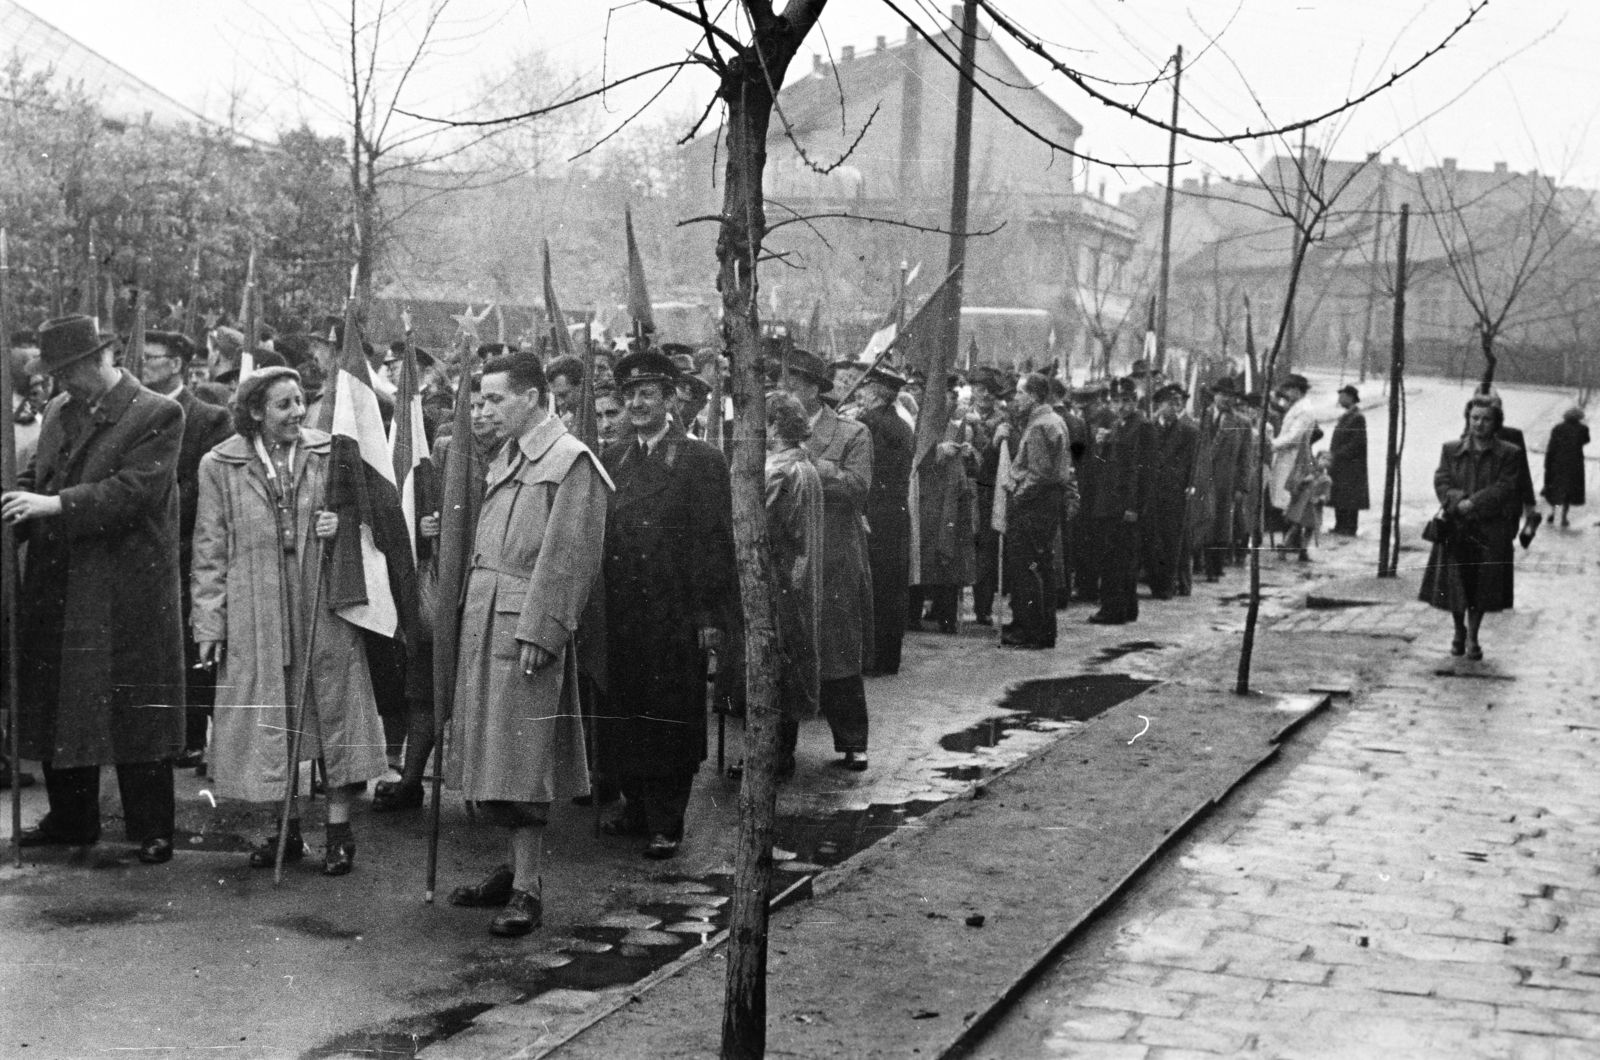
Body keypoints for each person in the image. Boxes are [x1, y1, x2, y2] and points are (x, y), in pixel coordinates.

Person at [191, 366, 388, 874]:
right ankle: (286, 830)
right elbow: (209, 550)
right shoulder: (220, 464)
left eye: (301, 401)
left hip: (321, 604)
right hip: (256, 612)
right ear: (255, 411)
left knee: (333, 713)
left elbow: (369, 521)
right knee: (273, 721)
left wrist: (338, 524)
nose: (298, 413)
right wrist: (210, 625)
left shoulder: (330, 451)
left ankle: (340, 832)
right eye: (285, 405)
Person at [4, 315, 185, 863]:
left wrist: (55, 506)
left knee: (137, 705)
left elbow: (135, 493)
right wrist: (17, 501)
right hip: (62, 581)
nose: (58, 385)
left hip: (128, 587)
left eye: (65, 372)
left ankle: (152, 828)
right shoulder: (61, 411)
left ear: (96, 361)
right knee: (63, 699)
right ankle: (71, 818)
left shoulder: (158, 413)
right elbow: (40, 474)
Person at [447, 351, 610, 936]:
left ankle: (528, 886)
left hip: (523, 628)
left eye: (495, 399)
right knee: (494, 755)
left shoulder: (570, 462)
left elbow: (571, 557)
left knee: (522, 760)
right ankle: (510, 868)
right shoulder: (508, 457)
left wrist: (544, 629)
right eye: (482, 399)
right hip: (485, 621)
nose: (484, 410)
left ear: (535, 397)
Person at [598, 351, 737, 859]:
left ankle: (667, 818)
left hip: (674, 611)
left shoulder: (700, 460)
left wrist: (710, 617)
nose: (635, 403)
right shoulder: (615, 457)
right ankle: (636, 807)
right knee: (628, 706)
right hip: (624, 609)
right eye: (629, 395)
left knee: (671, 713)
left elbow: (715, 543)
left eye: (647, 394)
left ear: (672, 399)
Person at [137, 331, 234, 774]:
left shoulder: (210, 417)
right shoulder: (135, 412)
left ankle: (191, 737)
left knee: (190, 644)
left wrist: (156, 507)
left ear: (176, 363)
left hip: (186, 545)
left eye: (151, 358)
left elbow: (204, 484)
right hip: (141, 548)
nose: (141, 365)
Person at [779, 347, 874, 771]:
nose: (788, 392)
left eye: (796, 385)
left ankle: (852, 741)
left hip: (834, 555)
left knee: (837, 649)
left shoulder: (852, 433)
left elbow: (857, 486)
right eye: (785, 384)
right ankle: (776, 749)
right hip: (790, 552)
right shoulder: (771, 427)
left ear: (817, 389)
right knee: (785, 649)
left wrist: (807, 463)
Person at [1419, 395, 1522, 661]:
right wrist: (1457, 500)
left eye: (1486, 419)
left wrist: (1473, 503)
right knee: (1456, 584)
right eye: (1474, 418)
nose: (1479, 424)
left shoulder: (1509, 454)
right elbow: (1441, 480)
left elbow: (1506, 487)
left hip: (1489, 529)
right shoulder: (1451, 449)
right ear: (1468, 419)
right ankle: (1458, 631)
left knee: (1481, 585)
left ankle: (1474, 635)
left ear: (1496, 422)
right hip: (1457, 528)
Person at [765, 392, 824, 777]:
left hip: (781, 577)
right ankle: (780, 750)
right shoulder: (804, 464)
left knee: (777, 664)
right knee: (791, 659)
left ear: (772, 425)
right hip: (798, 576)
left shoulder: (779, 471)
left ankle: (774, 754)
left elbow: (762, 525)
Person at [999, 373, 1073, 649]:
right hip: (1045, 505)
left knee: (1028, 567)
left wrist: (1018, 496)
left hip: (1034, 505)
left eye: (1019, 393)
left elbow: (1039, 474)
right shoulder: (1053, 420)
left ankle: (1031, 630)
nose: (1015, 399)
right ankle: (1040, 629)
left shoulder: (1040, 425)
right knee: (1040, 566)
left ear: (1033, 396)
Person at [856, 366, 914, 675]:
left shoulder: (870, 425)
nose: (862, 397)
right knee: (893, 585)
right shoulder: (901, 424)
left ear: (877, 395)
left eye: (866, 392)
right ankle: (889, 656)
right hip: (896, 510)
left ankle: (873, 656)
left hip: (873, 511)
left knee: (874, 583)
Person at [910, 375, 976, 633]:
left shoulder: (961, 422)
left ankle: (946, 616)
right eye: (943, 394)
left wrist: (968, 452)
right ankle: (913, 615)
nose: (948, 399)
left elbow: (976, 462)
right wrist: (936, 452)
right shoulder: (918, 421)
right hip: (926, 500)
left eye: (951, 394)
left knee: (950, 561)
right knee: (921, 558)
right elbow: (912, 456)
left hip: (952, 500)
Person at [1192, 378, 1252, 581]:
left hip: (1226, 483)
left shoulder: (1242, 423)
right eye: (1223, 395)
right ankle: (1197, 563)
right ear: (1214, 395)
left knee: (1221, 525)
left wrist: (1242, 487)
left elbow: (1246, 458)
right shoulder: (1200, 418)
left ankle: (1214, 568)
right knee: (1200, 520)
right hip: (1202, 480)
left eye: (1231, 396)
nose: (1227, 399)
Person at [1142, 383, 1197, 599]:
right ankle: (1157, 582)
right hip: (1152, 492)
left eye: (1178, 403)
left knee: (1172, 539)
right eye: (1170, 403)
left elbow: (1192, 463)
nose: (1175, 407)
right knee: (1152, 538)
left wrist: (1190, 486)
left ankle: (1167, 585)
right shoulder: (1149, 427)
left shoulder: (1188, 431)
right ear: (1158, 405)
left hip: (1174, 493)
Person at [966, 367, 1010, 625]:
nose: (984, 395)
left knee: (987, 552)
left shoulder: (1004, 421)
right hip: (963, 489)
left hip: (989, 492)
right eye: (980, 389)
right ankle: (944, 608)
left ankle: (983, 608)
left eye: (990, 391)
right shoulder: (960, 416)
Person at [1328, 384, 1369, 535]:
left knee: (1349, 497)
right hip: (1342, 464)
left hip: (1351, 466)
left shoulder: (1357, 417)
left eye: (1342, 396)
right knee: (1340, 495)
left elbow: (1357, 442)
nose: (1339, 399)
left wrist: (1337, 454)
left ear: (1350, 398)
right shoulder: (1347, 415)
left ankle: (1349, 527)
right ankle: (1340, 525)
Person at [1542, 408, 1588, 528]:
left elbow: (1551, 445)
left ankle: (1553, 512)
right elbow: (1586, 440)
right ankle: (1563, 517)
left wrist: (1548, 462)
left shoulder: (1558, 428)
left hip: (1558, 461)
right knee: (1569, 491)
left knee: (1555, 488)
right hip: (1574, 463)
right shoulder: (1583, 429)